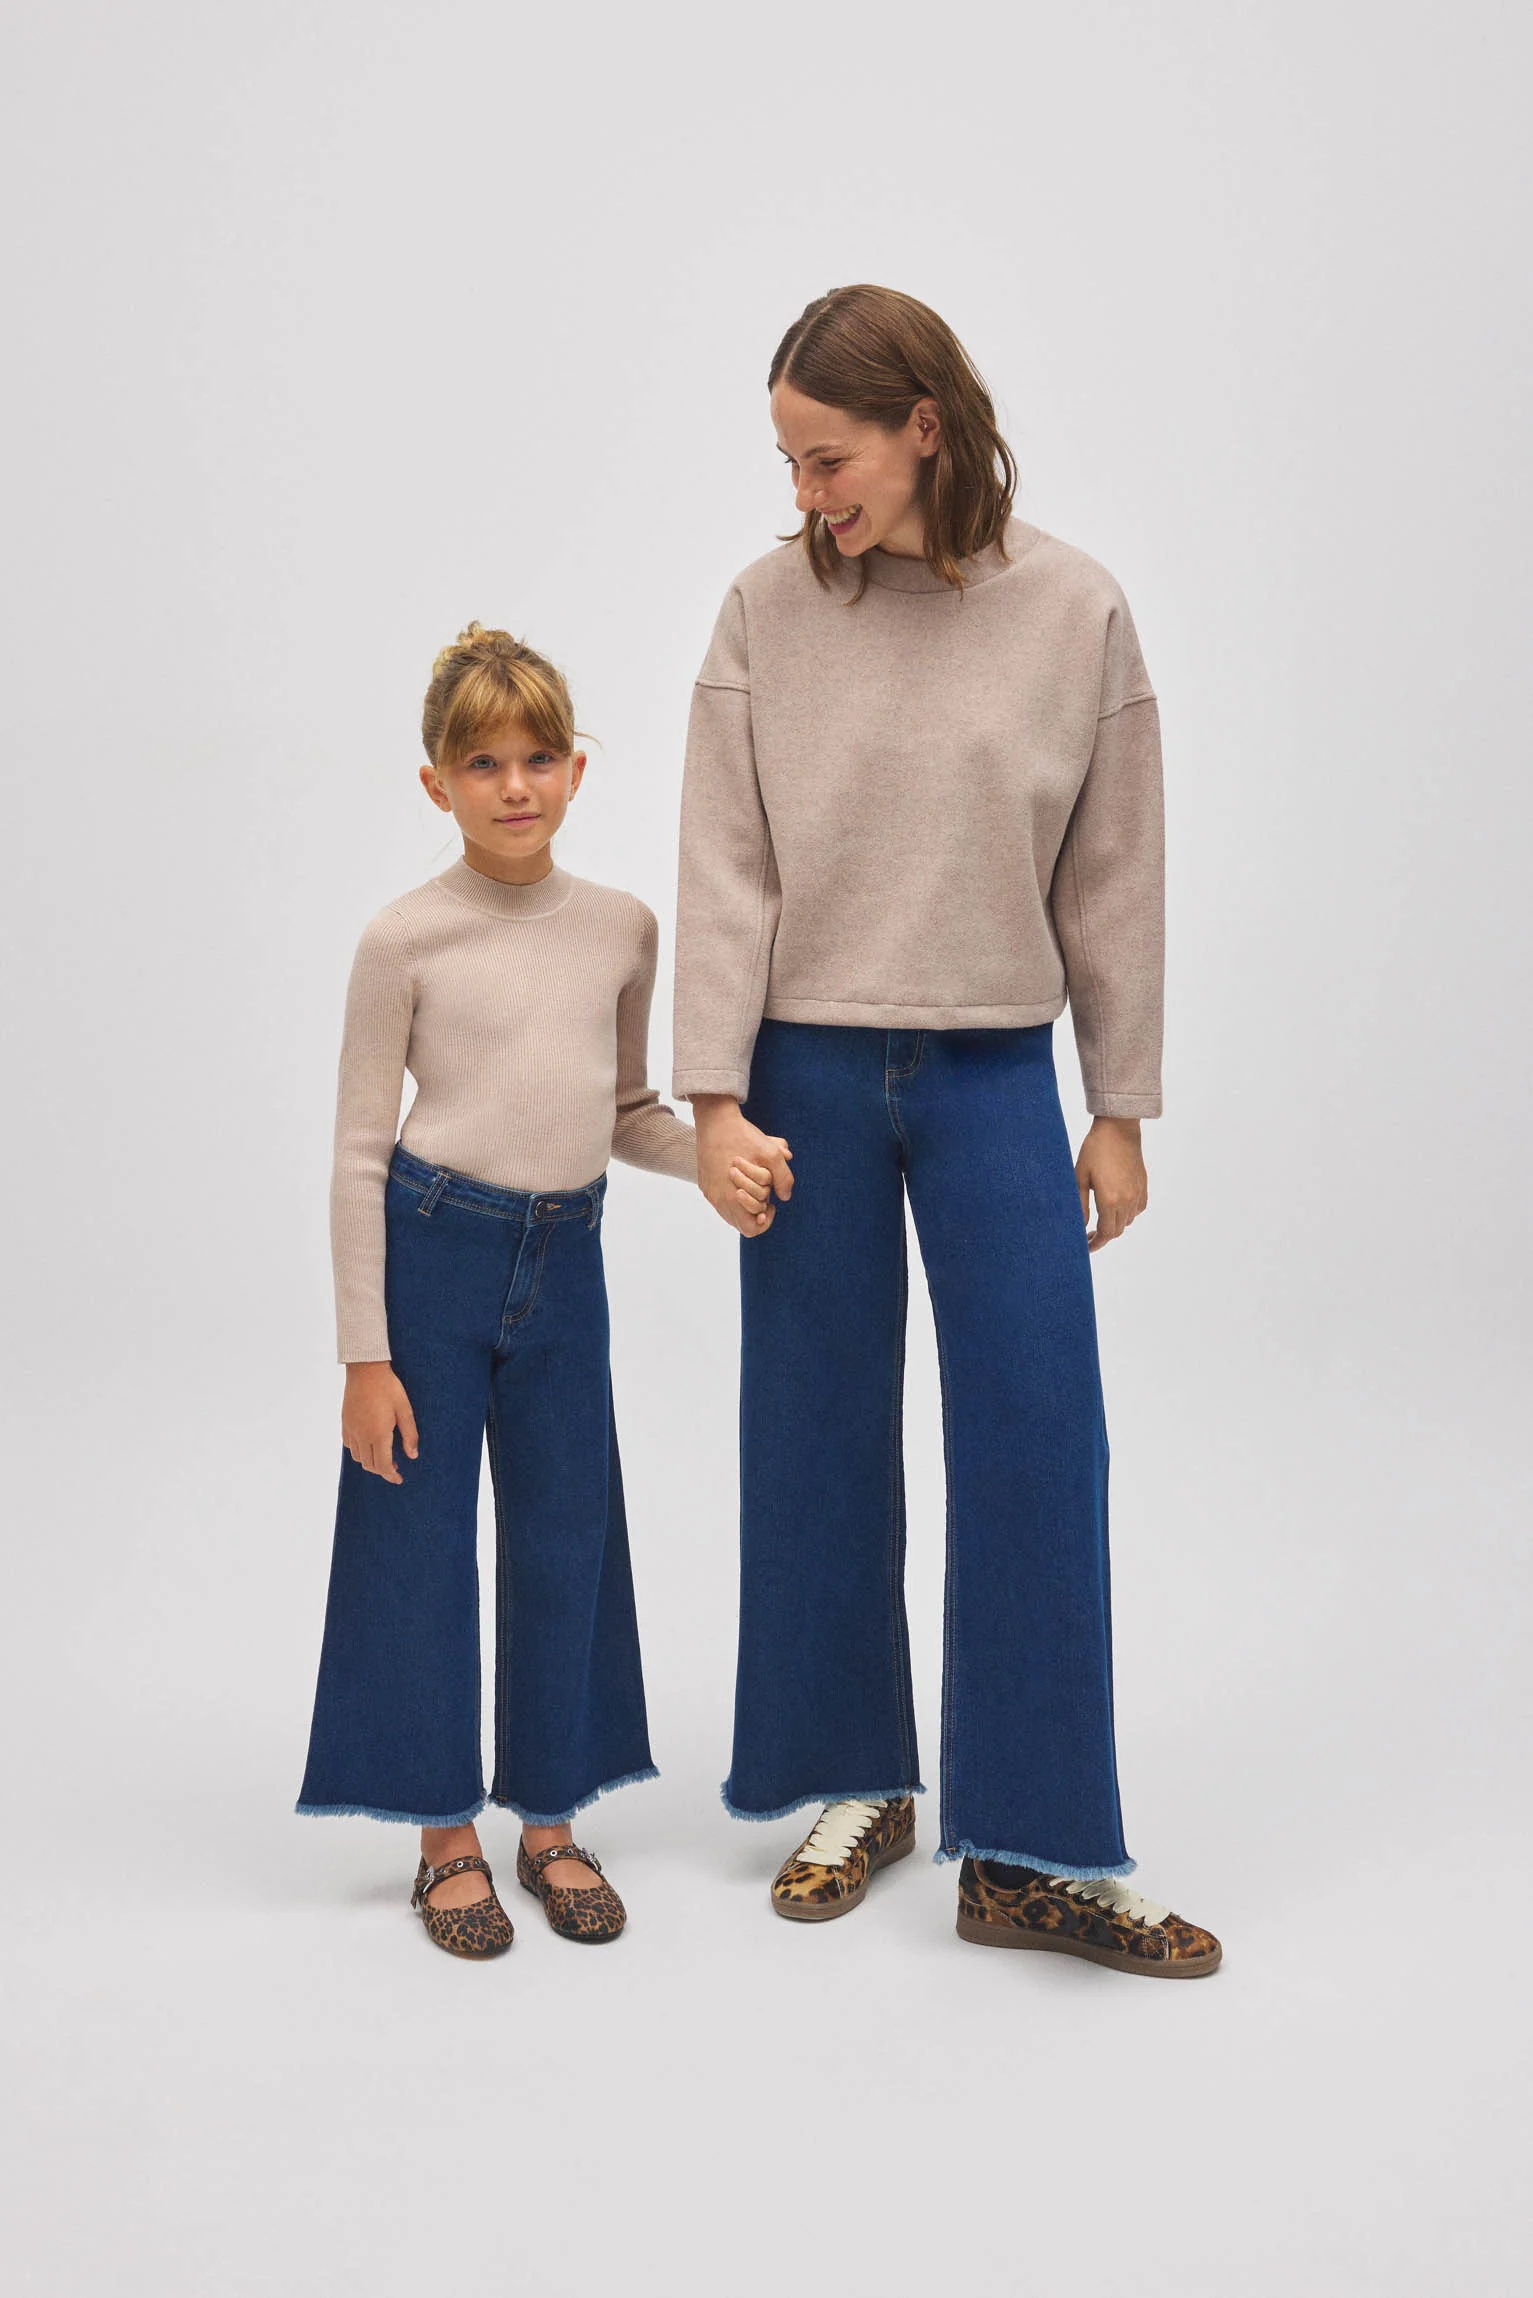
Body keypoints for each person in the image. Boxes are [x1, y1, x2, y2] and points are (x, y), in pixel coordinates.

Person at [674, 285, 1222, 1977]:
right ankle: (858, 1778)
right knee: (817, 1428)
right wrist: (712, 1099)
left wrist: (1118, 1107)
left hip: (996, 1074)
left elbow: (1113, 871)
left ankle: (1035, 1850)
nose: (804, 493)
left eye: (827, 457)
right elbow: (726, 862)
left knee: (1040, 1435)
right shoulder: (766, 610)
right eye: (786, 461)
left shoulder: (1075, 609)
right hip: (805, 1078)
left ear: (925, 427)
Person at [297, 623, 718, 1959]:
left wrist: (716, 1157)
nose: (515, 785)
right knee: (416, 1542)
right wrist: (365, 1352)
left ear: (578, 769)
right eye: (483, 763)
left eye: (539, 758)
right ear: (437, 782)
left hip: (566, 1261)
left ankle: (549, 1819)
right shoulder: (404, 939)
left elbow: (627, 1109)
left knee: (566, 1533)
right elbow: (358, 1150)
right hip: (434, 1252)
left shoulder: (620, 928)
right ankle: (442, 1839)